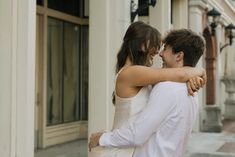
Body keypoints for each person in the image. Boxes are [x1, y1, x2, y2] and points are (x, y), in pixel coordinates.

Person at [89, 24, 206, 157]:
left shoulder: (169, 86)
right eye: (155, 45)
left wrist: (104, 138)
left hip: (129, 146)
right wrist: (199, 71)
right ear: (141, 45)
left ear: (179, 56)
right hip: (123, 148)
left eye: (164, 48)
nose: (159, 52)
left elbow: (178, 76)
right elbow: (179, 74)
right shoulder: (132, 73)